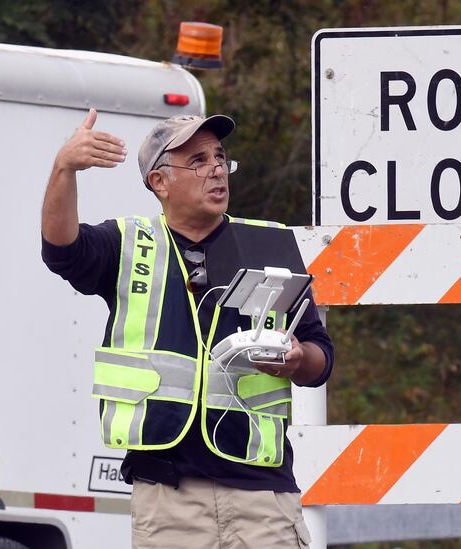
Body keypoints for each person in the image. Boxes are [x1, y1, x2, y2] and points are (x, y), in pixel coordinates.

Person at [41, 109, 333, 548]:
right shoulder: (128, 243)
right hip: (167, 499)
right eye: (197, 160)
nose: (216, 168)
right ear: (160, 182)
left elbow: (320, 356)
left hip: (262, 496)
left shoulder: (267, 242)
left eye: (220, 157)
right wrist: (65, 169)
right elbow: (60, 250)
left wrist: (298, 359)